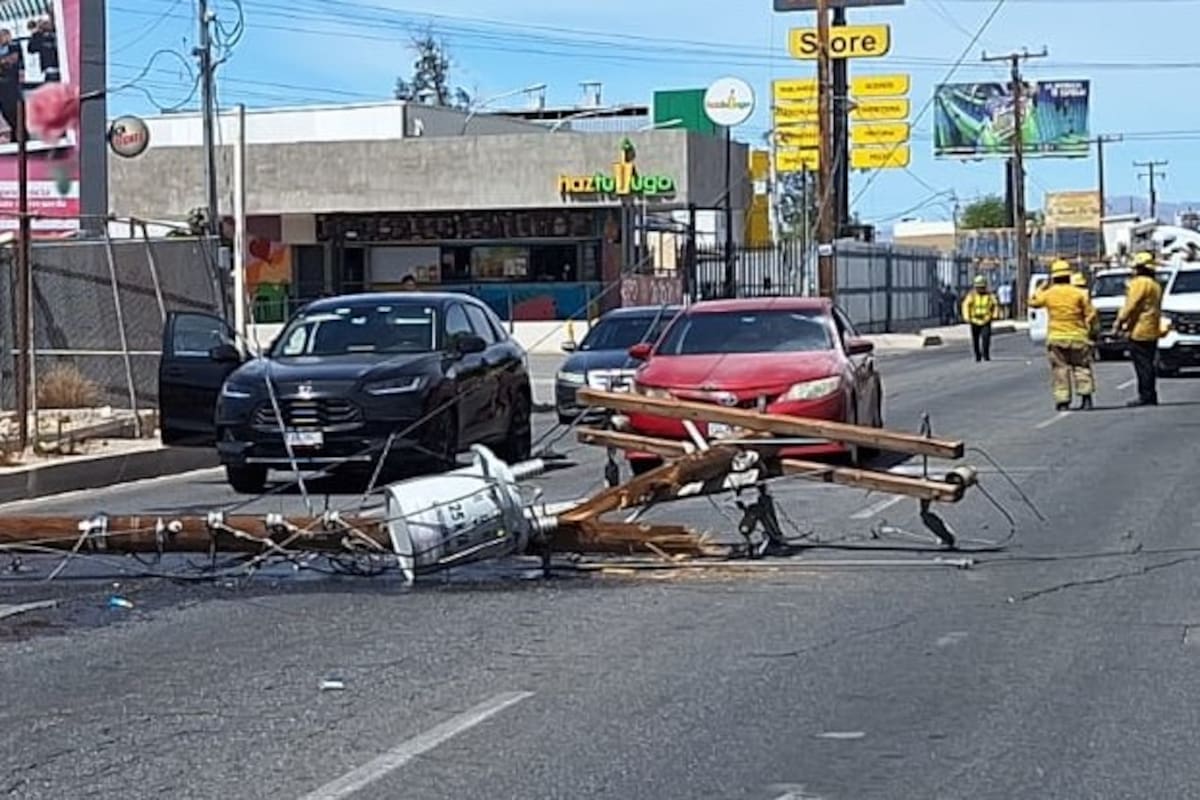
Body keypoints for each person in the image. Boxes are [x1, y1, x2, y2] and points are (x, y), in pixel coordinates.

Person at [1030, 261, 1098, 411]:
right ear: (1068, 275)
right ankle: (1086, 399)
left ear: (1054, 277)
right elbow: (1091, 315)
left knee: (1060, 370)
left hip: (1056, 337)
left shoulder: (1049, 294)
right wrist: (1091, 330)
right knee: (1081, 368)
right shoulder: (1080, 293)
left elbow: (1033, 302)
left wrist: (1042, 286)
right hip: (1078, 337)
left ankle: (1063, 402)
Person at [1114, 251, 1164, 407]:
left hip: (1140, 329)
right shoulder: (1155, 284)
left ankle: (1146, 395)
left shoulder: (1140, 283)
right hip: (1152, 328)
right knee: (1148, 363)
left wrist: (1119, 323)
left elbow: (1131, 305)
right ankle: (1150, 394)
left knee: (1143, 365)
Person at [961, 275, 998, 362]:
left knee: (986, 338)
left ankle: (986, 354)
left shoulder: (989, 296)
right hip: (974, 320)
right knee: (975, 339)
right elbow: (965, 305)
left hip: (986, 319)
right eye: (978, 287)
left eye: (982, 287)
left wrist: (995, 315)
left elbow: (995, 305)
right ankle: (977, 355)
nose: (980, 289)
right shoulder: (972, 296)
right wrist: (966, 317)